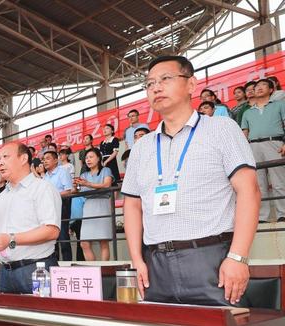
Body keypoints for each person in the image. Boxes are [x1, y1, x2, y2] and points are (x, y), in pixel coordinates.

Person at [123, 55, 260, 306]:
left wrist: (238, 257)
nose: (156, 87)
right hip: (154, 265)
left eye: (165, 79)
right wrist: (136, 260)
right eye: (150, 83)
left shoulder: (221, 129)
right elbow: (132, 205)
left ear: (191, 84)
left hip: (211, 260)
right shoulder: (141, 147)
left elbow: (248, 190)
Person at [0, 142, 61, 294]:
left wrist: (11, 239)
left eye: (6, 157)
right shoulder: (2, 196)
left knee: (41, 309)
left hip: (36, 269)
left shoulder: (42, 188)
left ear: (23, 158)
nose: (0, 163)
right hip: (5, 272)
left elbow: (51, 231)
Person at [241, 78, 285, 222]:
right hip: (253, 146)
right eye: (257, 86)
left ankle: (282, 214)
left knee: (279, 181)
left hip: (275, 143)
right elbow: (244, 133)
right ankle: (263, 217)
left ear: (271, 89)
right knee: (259, 184)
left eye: (263, 85)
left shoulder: (280, 104)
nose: (259, 87)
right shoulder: (247, 112)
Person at [74, 148, 114, 261]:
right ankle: (94, 268)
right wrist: (75, 186)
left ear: (98, 158)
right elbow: (79, 190)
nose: (88, 160)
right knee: (84, 243)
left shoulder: (106, 170)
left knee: (103, 241)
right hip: (88, 206)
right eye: (86, 158)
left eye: (91, 157)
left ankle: (104, 268)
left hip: (102, 204)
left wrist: (88, 184)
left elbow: (106, 185)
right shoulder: (84, 174)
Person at [43, 150, 73, 261]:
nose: (45, 161)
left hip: (62, 206)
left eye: (48, 158)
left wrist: (53, 195)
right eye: (44, 159)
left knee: (63, 238)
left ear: (56, 160)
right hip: (49, 209)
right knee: (52, 240)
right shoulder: (45, 176)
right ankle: (53, 263)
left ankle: (67, 264)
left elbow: (68, 191)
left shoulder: (62, 172)